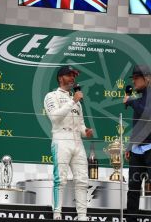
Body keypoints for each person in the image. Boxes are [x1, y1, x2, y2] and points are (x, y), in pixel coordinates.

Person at [44, 65, 93, 221]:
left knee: (83, 180)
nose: (73, 78)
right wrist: (72, 101)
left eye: (74, 75)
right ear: (60, 78)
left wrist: (86, 132)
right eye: (69, 75)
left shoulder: (77, 102)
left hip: (77, 142)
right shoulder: (52, 96)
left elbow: (81, 126)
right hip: (61, 139)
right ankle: (57, 214)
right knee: (60, 179)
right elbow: (54, 117)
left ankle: (82, 216)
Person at [123, 65, 151, 222]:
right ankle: (131, 220)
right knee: (133, 188)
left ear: (146, 78)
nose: (133, 81)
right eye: (133, 78)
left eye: (136, 78)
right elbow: (138, 125)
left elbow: (150, 115)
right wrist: (129, 146)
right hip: (137, 149)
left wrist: (132, 102)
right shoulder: (139, 99)